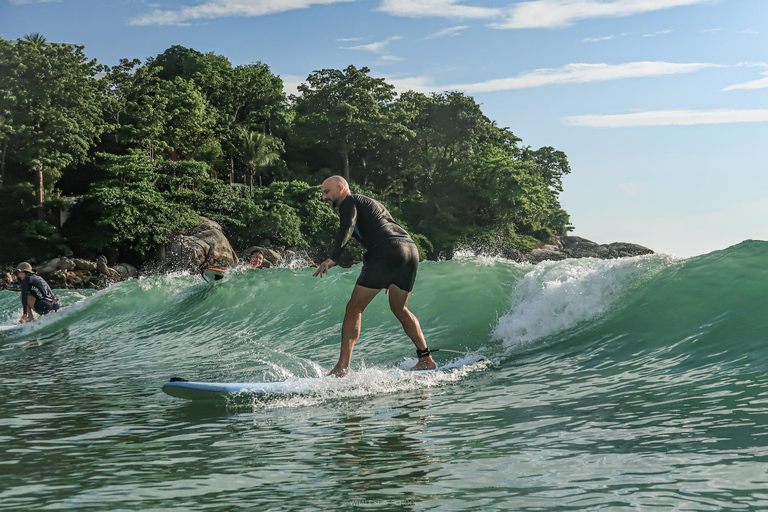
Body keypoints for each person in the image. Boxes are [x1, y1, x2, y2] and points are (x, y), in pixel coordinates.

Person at [313, 176, 436, 376]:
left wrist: (334, 257)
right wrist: (391, 271)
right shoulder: (370, 203)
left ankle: (342, 368)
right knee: (400, 308)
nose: (324, 197)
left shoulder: (349, 201)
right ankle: (425, 358)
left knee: (354, 308)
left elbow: (348, 226)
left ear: (341, 188)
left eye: (327, 192)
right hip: (409, 250)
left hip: (386, 250)